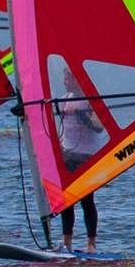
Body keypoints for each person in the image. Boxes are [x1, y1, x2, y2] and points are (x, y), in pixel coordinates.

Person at [52, 75, 109, 254]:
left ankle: (91, 245)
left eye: (69, 77)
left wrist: (82, 116)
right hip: (68, 155)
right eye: (65, 77)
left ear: (78, 79)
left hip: (86, 156)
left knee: (86, 201)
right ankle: (66, 243)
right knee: (66, 200)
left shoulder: (90, 100)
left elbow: (99, 126)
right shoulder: (63, 100)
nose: (65, 81)